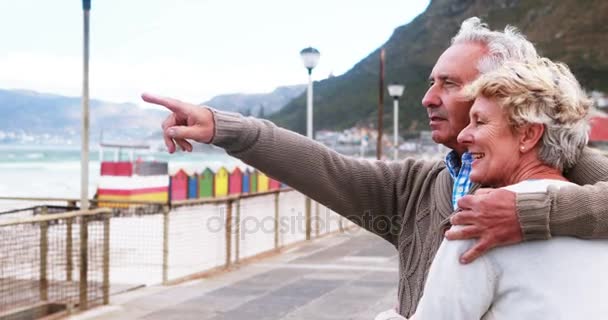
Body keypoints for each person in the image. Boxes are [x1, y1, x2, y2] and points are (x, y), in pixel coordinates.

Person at [141, 18, 608, 318]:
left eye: (449, 83)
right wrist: (226, 129)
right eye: (431, 82)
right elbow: (326, 168)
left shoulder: (565, 164)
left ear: (509, 95)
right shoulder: (418, 186)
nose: (429, 98)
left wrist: (526, 214)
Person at [414, 58, 608, 319]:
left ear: (528, 135)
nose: (463, 136)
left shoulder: (484, 221)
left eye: (480, 122)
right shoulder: (598, 227)